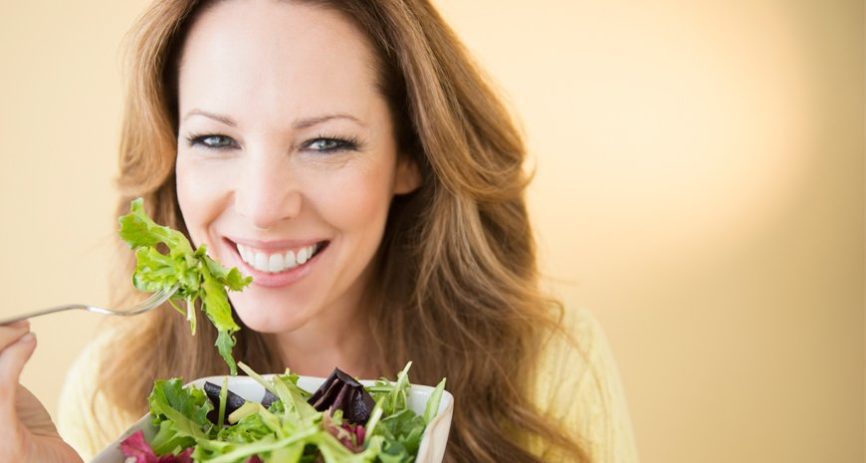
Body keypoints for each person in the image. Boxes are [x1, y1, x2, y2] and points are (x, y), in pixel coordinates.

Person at [0, 0, 638, 461]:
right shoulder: (109, 393)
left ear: (411, 157)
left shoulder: (547, 366)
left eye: (326, 143)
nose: (264, 206)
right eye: (215, 139)